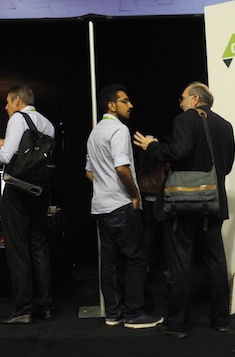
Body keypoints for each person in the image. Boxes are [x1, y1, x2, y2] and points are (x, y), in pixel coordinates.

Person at [133, 81, 235, 338]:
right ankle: (221, 320)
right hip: (213, 202)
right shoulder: (225, 125)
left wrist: (152, 146)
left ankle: (177, 323)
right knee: (216, 262)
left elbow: (178, 152)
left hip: (184, 204)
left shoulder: (185, 119)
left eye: (182, 98)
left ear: (195, 99)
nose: (180, 103)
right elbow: (228, 166)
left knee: (180, 263)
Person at [85, 83, 163, 329]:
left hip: (101, 207)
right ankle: (134, 314)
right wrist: (134, 195)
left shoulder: (95, 132)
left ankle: (113, 313)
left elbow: (89, 172)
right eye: (125, 101)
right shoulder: (119, 129)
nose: (131, 105)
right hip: (120, 205)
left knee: (108, 262)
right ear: (111, 105)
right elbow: (121, 167)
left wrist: (106, 184)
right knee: (136, 259)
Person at [0, 85, 55, 324]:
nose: (6, 107)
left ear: (17, 101)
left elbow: (6, 157)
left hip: (17, 191)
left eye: (7, 102)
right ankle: (45, 307)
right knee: (39, 246)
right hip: (40, 191)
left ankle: (23, 309)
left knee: (18, 249)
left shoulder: (17, 118)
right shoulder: (48, 124)